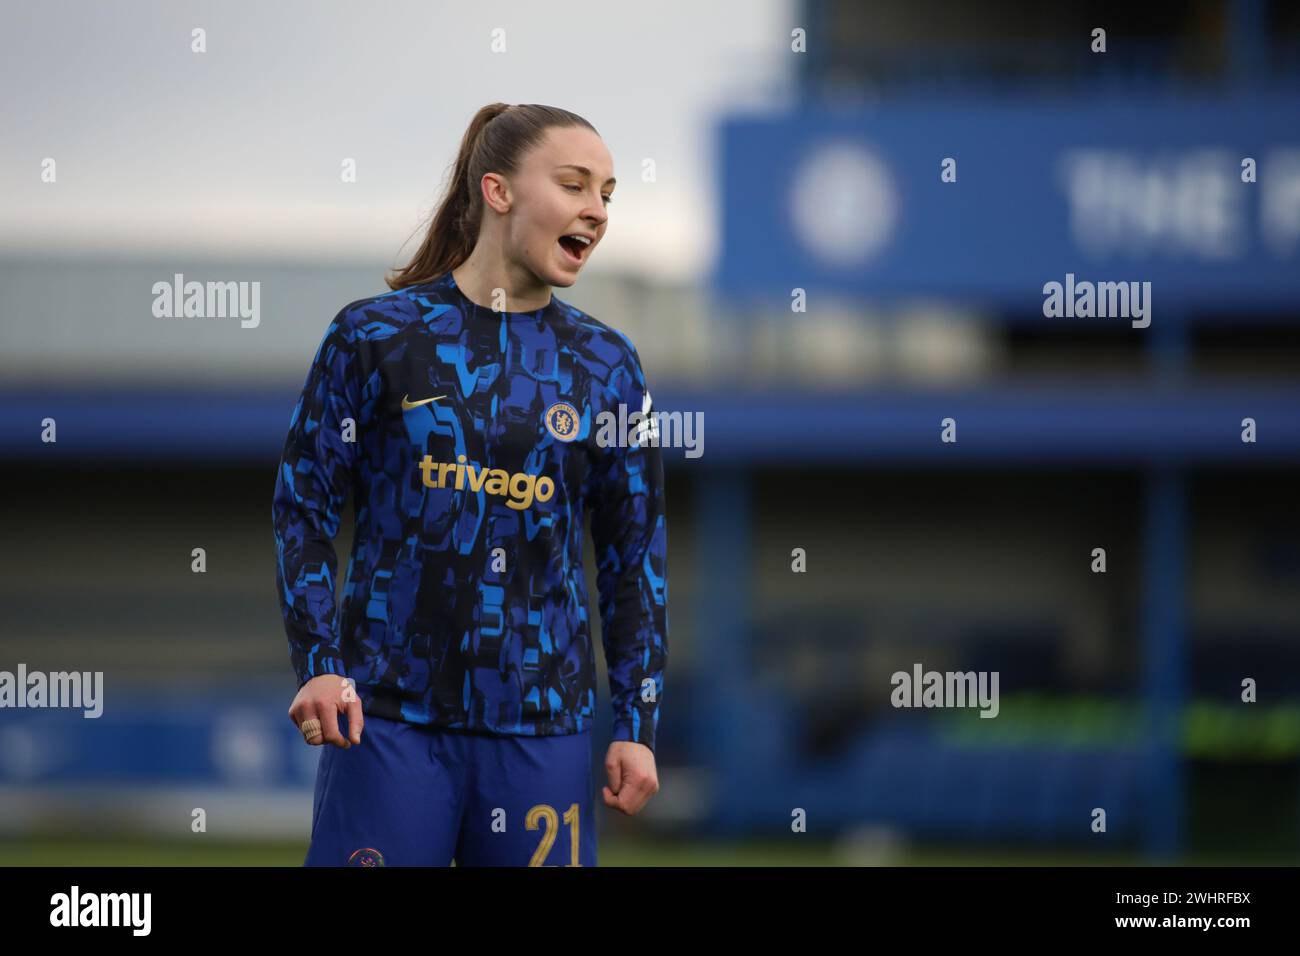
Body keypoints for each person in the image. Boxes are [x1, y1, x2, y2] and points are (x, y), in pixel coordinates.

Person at [271, 103, 667, 866]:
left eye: (608, 194)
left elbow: (635, 558)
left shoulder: (608, 367)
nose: (597, 210)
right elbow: (304, 506)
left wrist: (636, 726)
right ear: (498, 191)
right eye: (575, 184)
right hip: (384, 719)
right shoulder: (375, 336)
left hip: (543, 729)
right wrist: (318, 661)